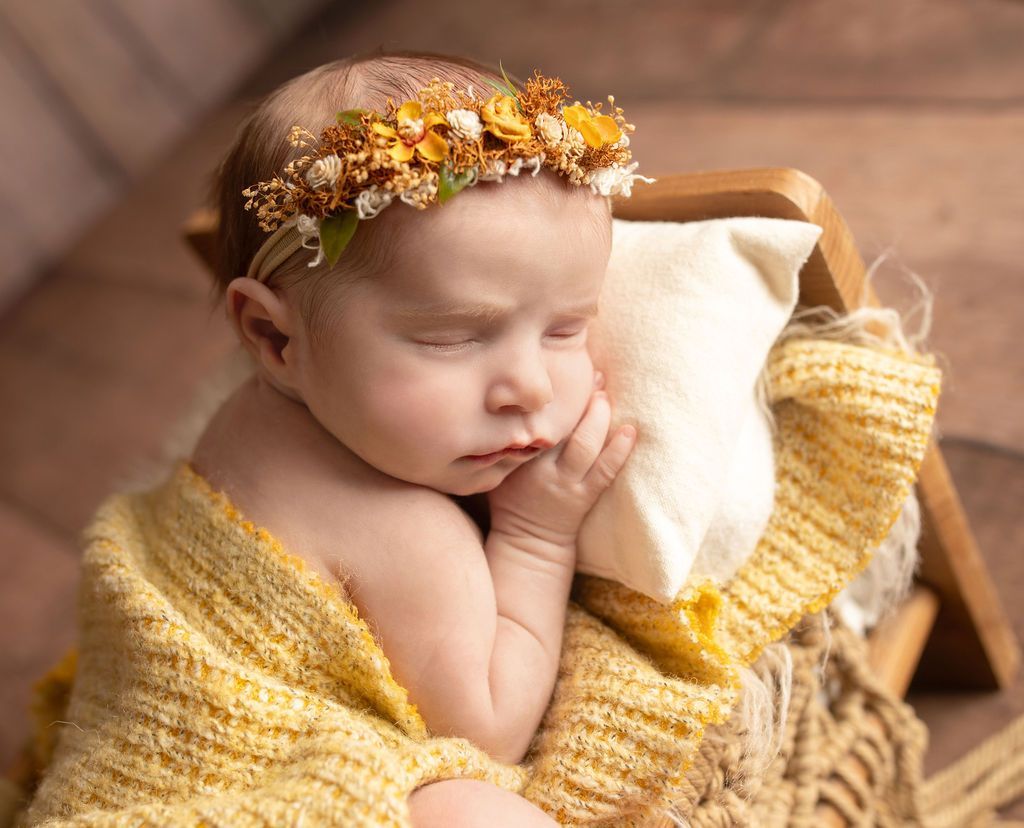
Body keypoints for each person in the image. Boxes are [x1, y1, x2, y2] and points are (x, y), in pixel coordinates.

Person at [190, 50, 643, 825]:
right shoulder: (405, 531)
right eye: (452, 340)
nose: (530, 388)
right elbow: (491, 730)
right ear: (274, 338)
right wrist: (536, 535)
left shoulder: (250, 417)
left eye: (566, 328)